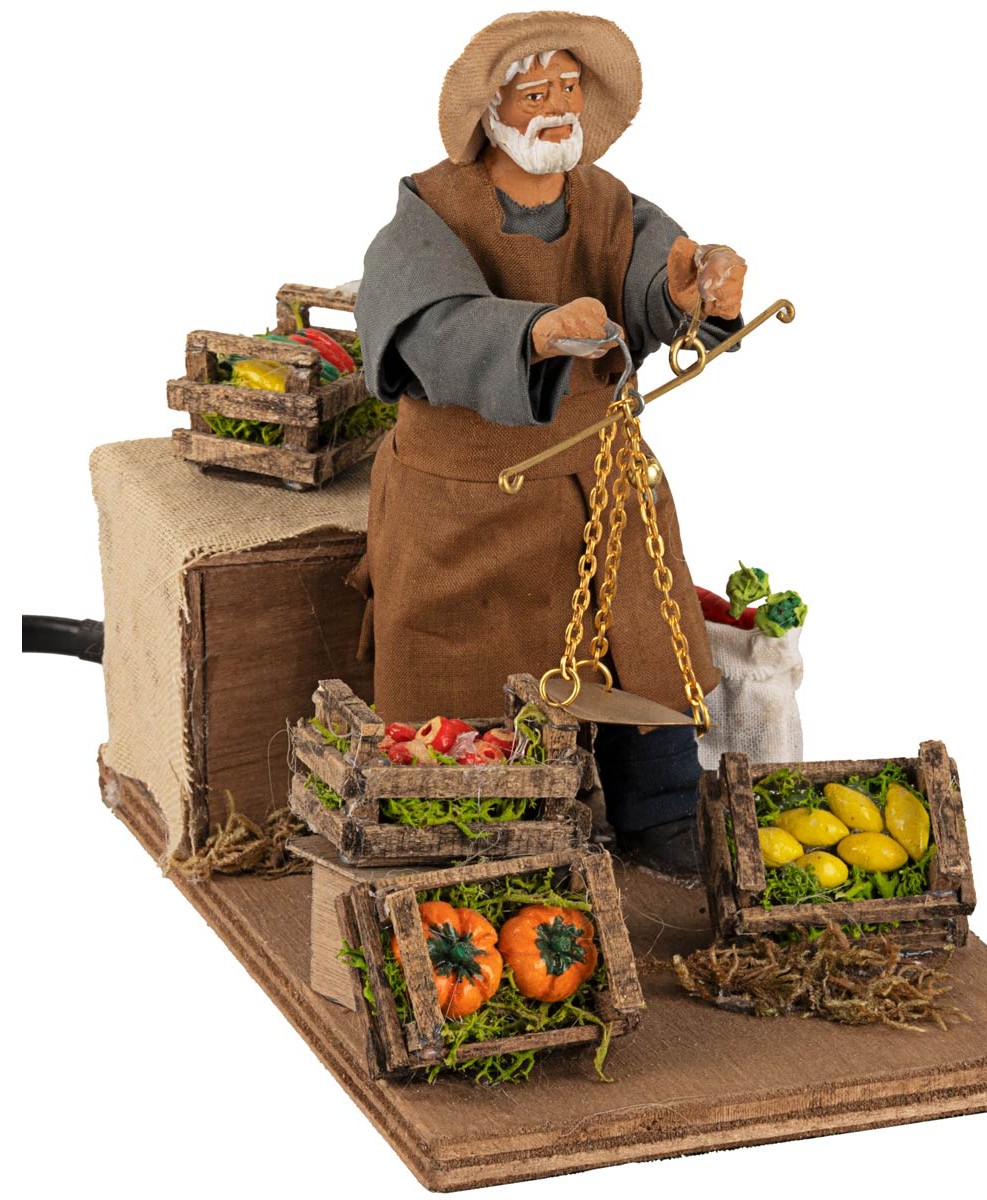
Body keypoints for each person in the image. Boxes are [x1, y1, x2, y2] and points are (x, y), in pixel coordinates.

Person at [354, 12, 748, 874]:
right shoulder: (428, 213)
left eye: (569, 88)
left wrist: (697, 291)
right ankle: (481, 830)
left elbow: (657, 280)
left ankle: (661, 814)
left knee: (645, 644)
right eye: (535, 93)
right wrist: (532, 334)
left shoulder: (609, 203)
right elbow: (423, 326)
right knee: (466, 677)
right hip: (466, 495)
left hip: (602, 471)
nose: (558, 107)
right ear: (490, 110)